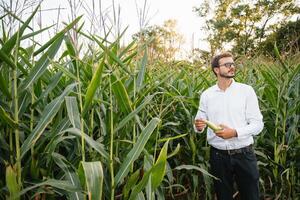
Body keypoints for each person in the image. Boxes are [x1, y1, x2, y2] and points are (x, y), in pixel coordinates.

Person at [194, 52, 264, 200]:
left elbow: (258, 125)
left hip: (244, 155)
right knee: (223, 196)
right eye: (227, 65)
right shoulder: (207, 95)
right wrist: (199, 126)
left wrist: (234, 132)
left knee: (251, 196)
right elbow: (200, 121)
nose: (231, 67)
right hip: (218, 156)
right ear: (216, 70)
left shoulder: (246, 91)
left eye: (232, 64)